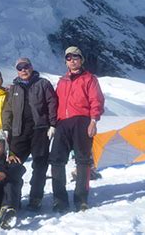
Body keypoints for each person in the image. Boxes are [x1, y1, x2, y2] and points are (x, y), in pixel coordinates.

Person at [49, 46, 105, 213]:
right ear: (66, 62)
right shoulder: (62, 81)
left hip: (82, 121)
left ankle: (81, 199)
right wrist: (53, 124)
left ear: (81, 59)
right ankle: (59, 199)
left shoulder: (89, 79)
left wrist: (93, 121)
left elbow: (96, 100)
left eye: (75, 57)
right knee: (57, 160)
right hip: (62, 123)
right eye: (68, 57)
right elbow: (55, 102)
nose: (72, 60)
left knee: (82, 161)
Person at [2, 57, 58, 211]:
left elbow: (52, 103)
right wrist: (6, 127)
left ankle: (35, 198)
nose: (23, 70)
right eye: (20, 68)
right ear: (17, 71)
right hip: (18, 132)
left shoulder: (43, 84)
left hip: (40, 131)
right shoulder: (13, 88)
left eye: (26, 66)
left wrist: (52, 124)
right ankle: (13, 199)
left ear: (31, 67)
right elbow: (7, 109)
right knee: (13, 166)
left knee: (40, 165)